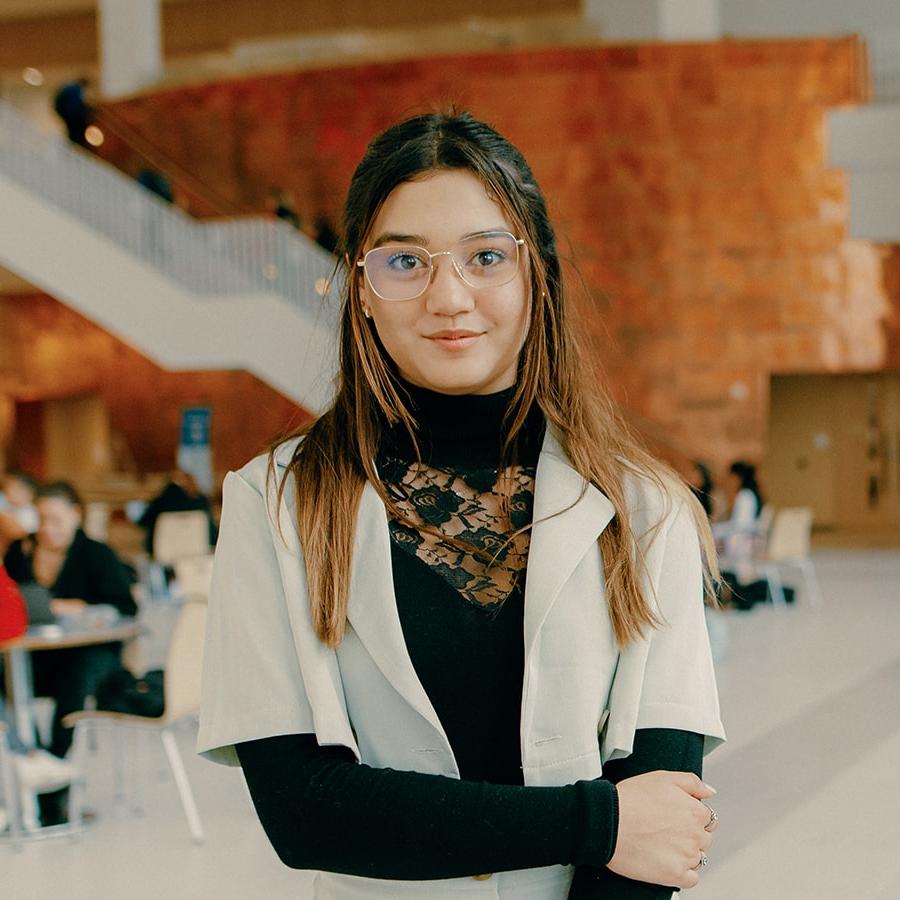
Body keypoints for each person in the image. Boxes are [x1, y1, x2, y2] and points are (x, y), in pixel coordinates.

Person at [198, 111, 725, 899]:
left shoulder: (647, 511)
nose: (450, 297)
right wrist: (598, 823)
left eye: (486, 256)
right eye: (405, 261)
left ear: (536, 274)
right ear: (362, 289)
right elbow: (304, 813)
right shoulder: (273, 503)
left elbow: (661, 831)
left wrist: (625, 829)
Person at [3, 482, 136, 758]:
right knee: (7, 677)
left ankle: (56, 760)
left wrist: (84, 609)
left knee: (75, 676)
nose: (47, 528)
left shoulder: (96, 554)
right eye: (41, 520)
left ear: (76, 515)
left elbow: (126, 606)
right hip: (37, 652)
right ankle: (30, 753)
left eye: (56, 520)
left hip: (90, 653)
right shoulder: (20, 551)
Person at [137, 469, 218, 558]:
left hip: (164, 553)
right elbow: (212, 530)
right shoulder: (201, 502)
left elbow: (142, 522)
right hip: (198, 550)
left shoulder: (162, 501)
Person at [0, 469, 40, 554]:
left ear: (27, 492)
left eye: (11, 487)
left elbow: (25, 537)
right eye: (5, 488)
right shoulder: (9, 507)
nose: (7, 491)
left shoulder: (30, 513)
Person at [52, 78, 93, 148]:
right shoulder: (75, 89)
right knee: (76, 134)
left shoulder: (70, 87)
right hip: (71, 116)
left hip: (67, 115)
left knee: (72, 133)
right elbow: (74, 106)